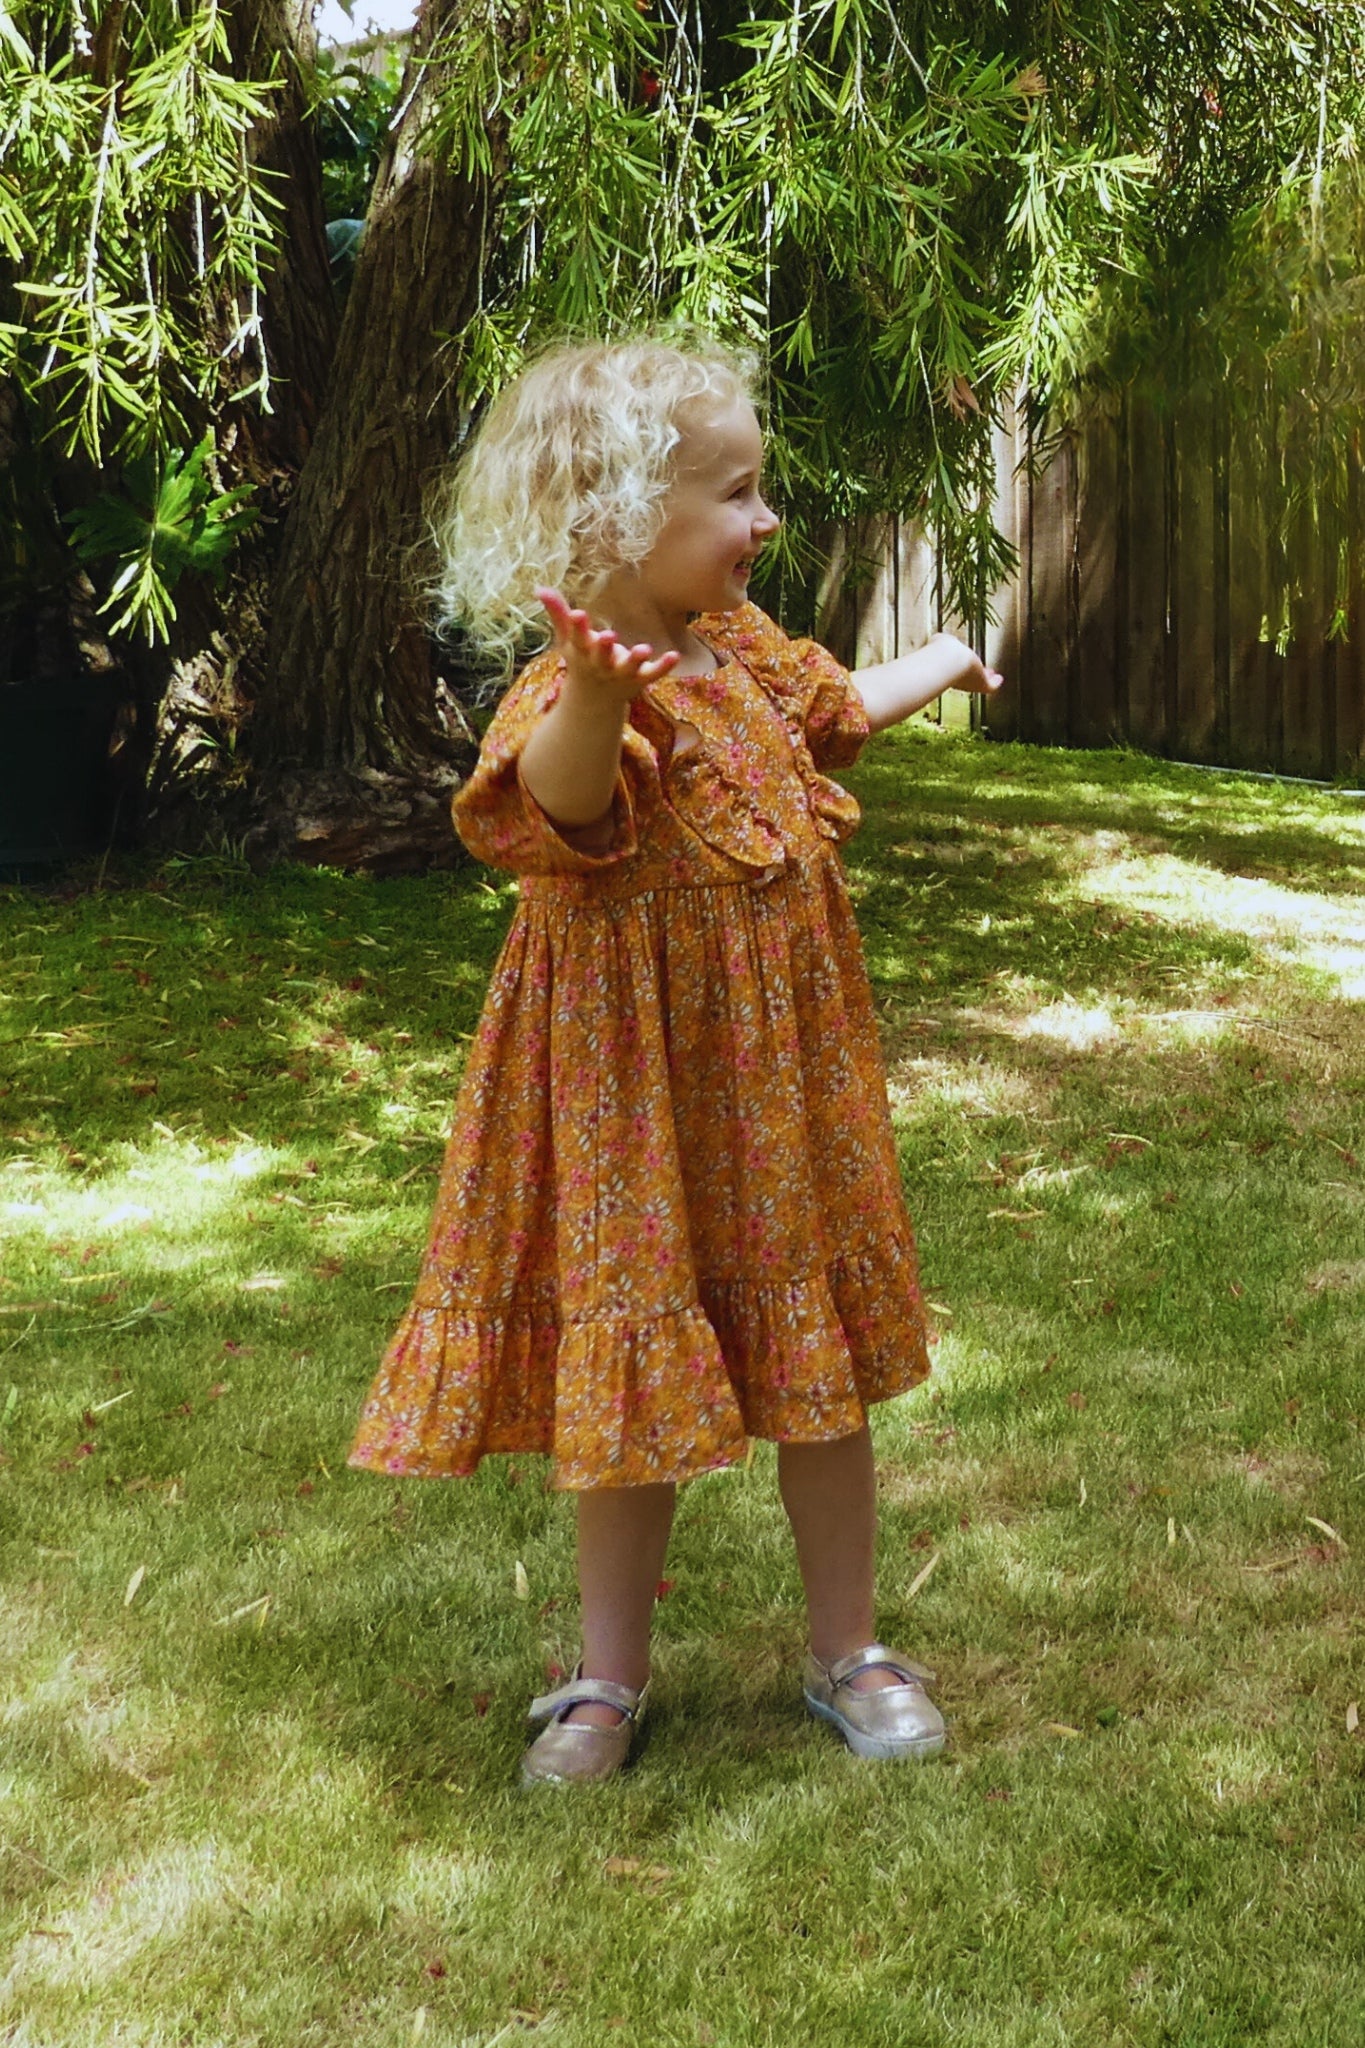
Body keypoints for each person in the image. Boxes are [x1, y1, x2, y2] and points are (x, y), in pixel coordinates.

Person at [349, 337, 1004, 1786]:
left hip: (779, 1089)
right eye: (735, 494)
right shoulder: (574, 689)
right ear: (618, 516)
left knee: (818, 1364)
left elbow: (838, 712)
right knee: (631, 1369)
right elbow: (560, 803)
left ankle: (850, 1646)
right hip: (631, 1101)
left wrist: (946, 661)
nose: (764, 520)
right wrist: (596, 690)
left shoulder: (747, 650)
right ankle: (606, 1677)